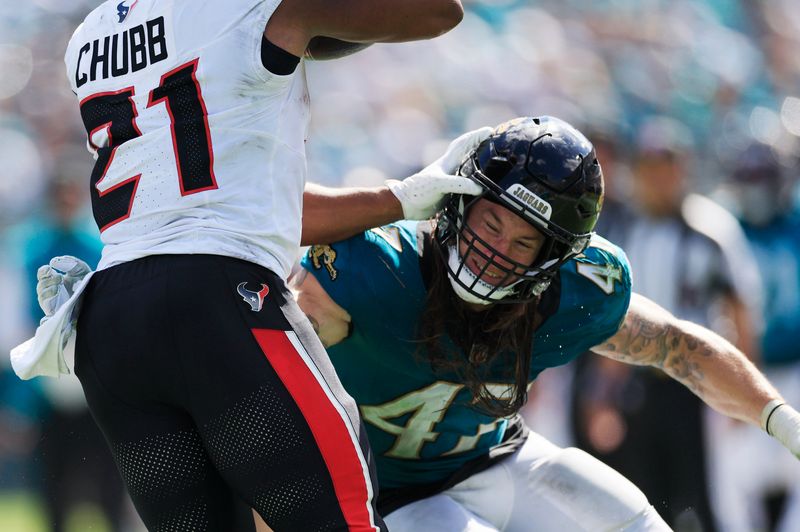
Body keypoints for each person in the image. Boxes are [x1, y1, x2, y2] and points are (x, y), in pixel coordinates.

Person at [31, 116, 800, 531]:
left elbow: (681, 347)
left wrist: (778, 417)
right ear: (458, 202)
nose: (496, 249)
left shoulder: (577, 290)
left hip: (504, 459)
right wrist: (115, 292)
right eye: (491, 222)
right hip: (393, 498)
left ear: (556, 254)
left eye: (524, 240)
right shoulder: (369, 269)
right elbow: (245, 266)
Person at [10, 0, 482, 530]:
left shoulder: (89, 36)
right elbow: (438, 12)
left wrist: (399, 198)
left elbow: (249, 202)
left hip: (111, 321)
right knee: (344, 519)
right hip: (216, 297)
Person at [570, 117, 763, 530]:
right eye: (650, 168)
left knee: (706, 499)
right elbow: (617, 322)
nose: (660, 179)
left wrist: (744, 385)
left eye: (668, 167)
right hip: (640, 382)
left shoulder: (710, 230)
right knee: (644, 495)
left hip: (699, 385)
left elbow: (741, 308)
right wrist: (602, 391)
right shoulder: (623, 230)